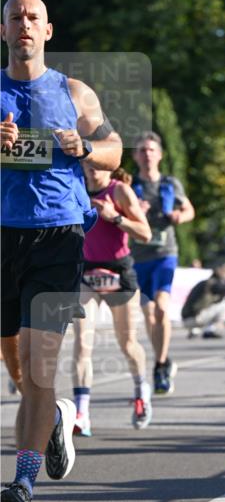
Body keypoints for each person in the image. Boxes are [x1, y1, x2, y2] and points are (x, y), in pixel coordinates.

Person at [1, 0, 122, 502]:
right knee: (19, 371)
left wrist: (84, 149)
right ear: (3, 30)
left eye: (34, 18)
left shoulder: (74, 93)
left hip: (58, 236)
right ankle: (54, 416)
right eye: (15, 18)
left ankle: (21, 486)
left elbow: (114, 151)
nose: (24, 25)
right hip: (3, 238)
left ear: (48, 31)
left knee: (38, 364)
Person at [71, 163, 152, 435]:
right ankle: (82, 413)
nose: (93, 169)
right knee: (82, 343)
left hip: (118, 271)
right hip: (87, 272)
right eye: (88, 163)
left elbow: (145, 233)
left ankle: (141, 390)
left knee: (127, 343)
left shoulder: (120, 191)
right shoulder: (76, 187)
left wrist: (114, 217)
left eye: (99, 164)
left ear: (110, 166)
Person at [131, 132, 195, 396]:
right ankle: (164, 359)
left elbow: (190, 210)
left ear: (159, 155)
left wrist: (179, 215)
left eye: (151, 150)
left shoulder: (170, 183)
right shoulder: (129, 185)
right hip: (137, 256)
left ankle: (159, 365)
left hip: (164, 254)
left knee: (161, 309)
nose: (147, 154)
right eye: (142, 150)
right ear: (135, 156)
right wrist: (134, 210)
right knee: (148, 314)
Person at [181, 261, 225, 338]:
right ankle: (210, 329)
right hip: (194, 318)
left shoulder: (207, 282)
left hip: (189, 318)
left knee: (218, 304)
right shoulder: (213, 283)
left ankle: (196, 329)